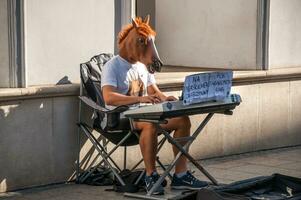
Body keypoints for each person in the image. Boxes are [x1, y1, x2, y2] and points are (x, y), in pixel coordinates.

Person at [101, 16, 208, 195]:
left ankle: (181, 175)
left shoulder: (142, 67)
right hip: (121, 118)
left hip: (145, 114)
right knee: (149, 124)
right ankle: (150, 176)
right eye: (142, 42)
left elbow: (154, 92)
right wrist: (139, 100)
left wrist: (166, 99)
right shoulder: (112, 66)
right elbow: (108, 97)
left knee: (182, 120)